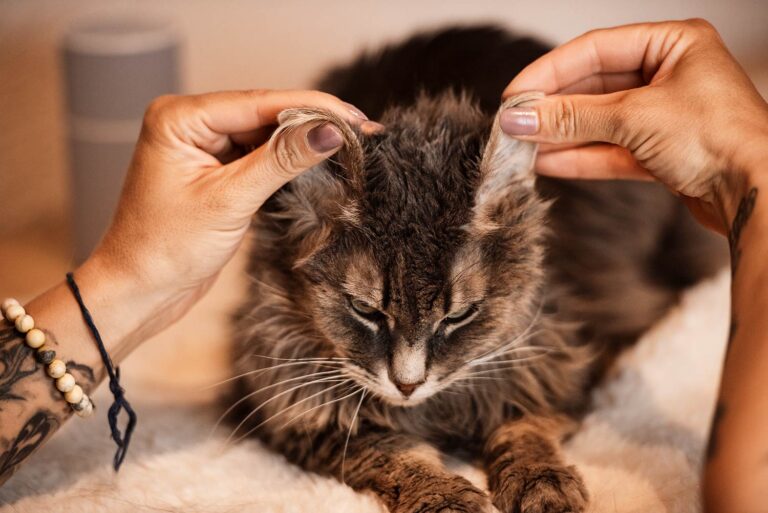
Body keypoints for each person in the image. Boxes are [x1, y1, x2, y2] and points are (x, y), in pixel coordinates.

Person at [0, 18, 765, 512]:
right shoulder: (302, 259)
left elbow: (561, 367)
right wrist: (410, 477)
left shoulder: (518, 255)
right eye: (367, 313)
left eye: (455, 318)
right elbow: (293, 416)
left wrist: (522, 438)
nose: (406, 371)